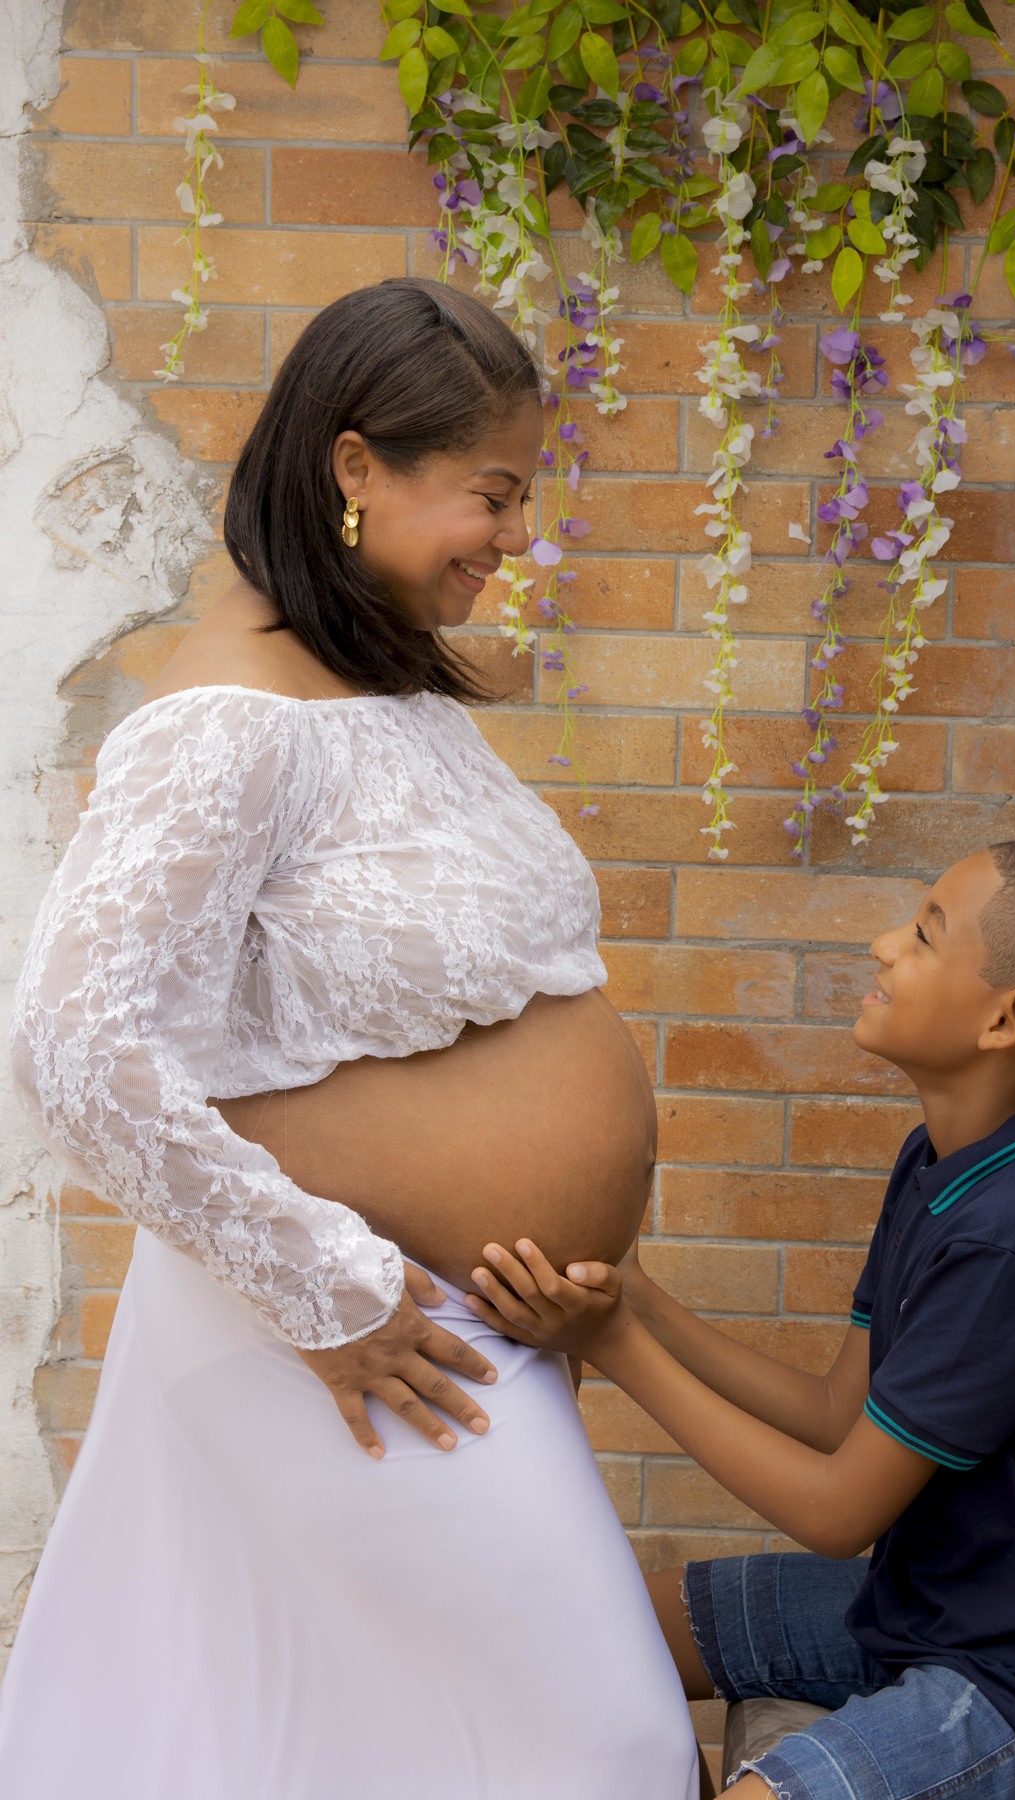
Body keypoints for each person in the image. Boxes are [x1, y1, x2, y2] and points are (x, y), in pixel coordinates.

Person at [1, 278, 698, 1798]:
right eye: (493, 496)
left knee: (351, 1745)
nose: (516, 538)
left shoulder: (387, 692)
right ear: (356, 468)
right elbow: (75, 1046)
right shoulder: (227, 723)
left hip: (441, 1326)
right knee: (613, 1750)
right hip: (338, 1329)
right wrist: (332, 1296)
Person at [468, 841, 1015, 1799]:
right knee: (585, 1639)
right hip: (928, 1607)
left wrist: (613, 1344)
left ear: (1008, 1018)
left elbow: (836, 1512)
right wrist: (638, 1299)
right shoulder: (938, 1162)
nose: (884, 944)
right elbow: (833, 1412)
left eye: (926, 935)